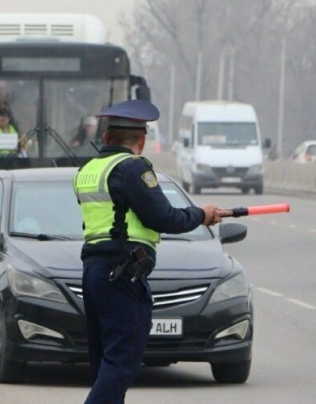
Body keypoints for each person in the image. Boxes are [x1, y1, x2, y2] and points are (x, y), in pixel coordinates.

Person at [72, 99, 222, 403]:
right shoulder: (133, 168)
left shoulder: (88, 170)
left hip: (94, 272)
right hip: (123, 273)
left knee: (105, 362)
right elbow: (164, 217)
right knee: (122, 361)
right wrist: (201, 214)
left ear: (105, 138)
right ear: (141, 140)